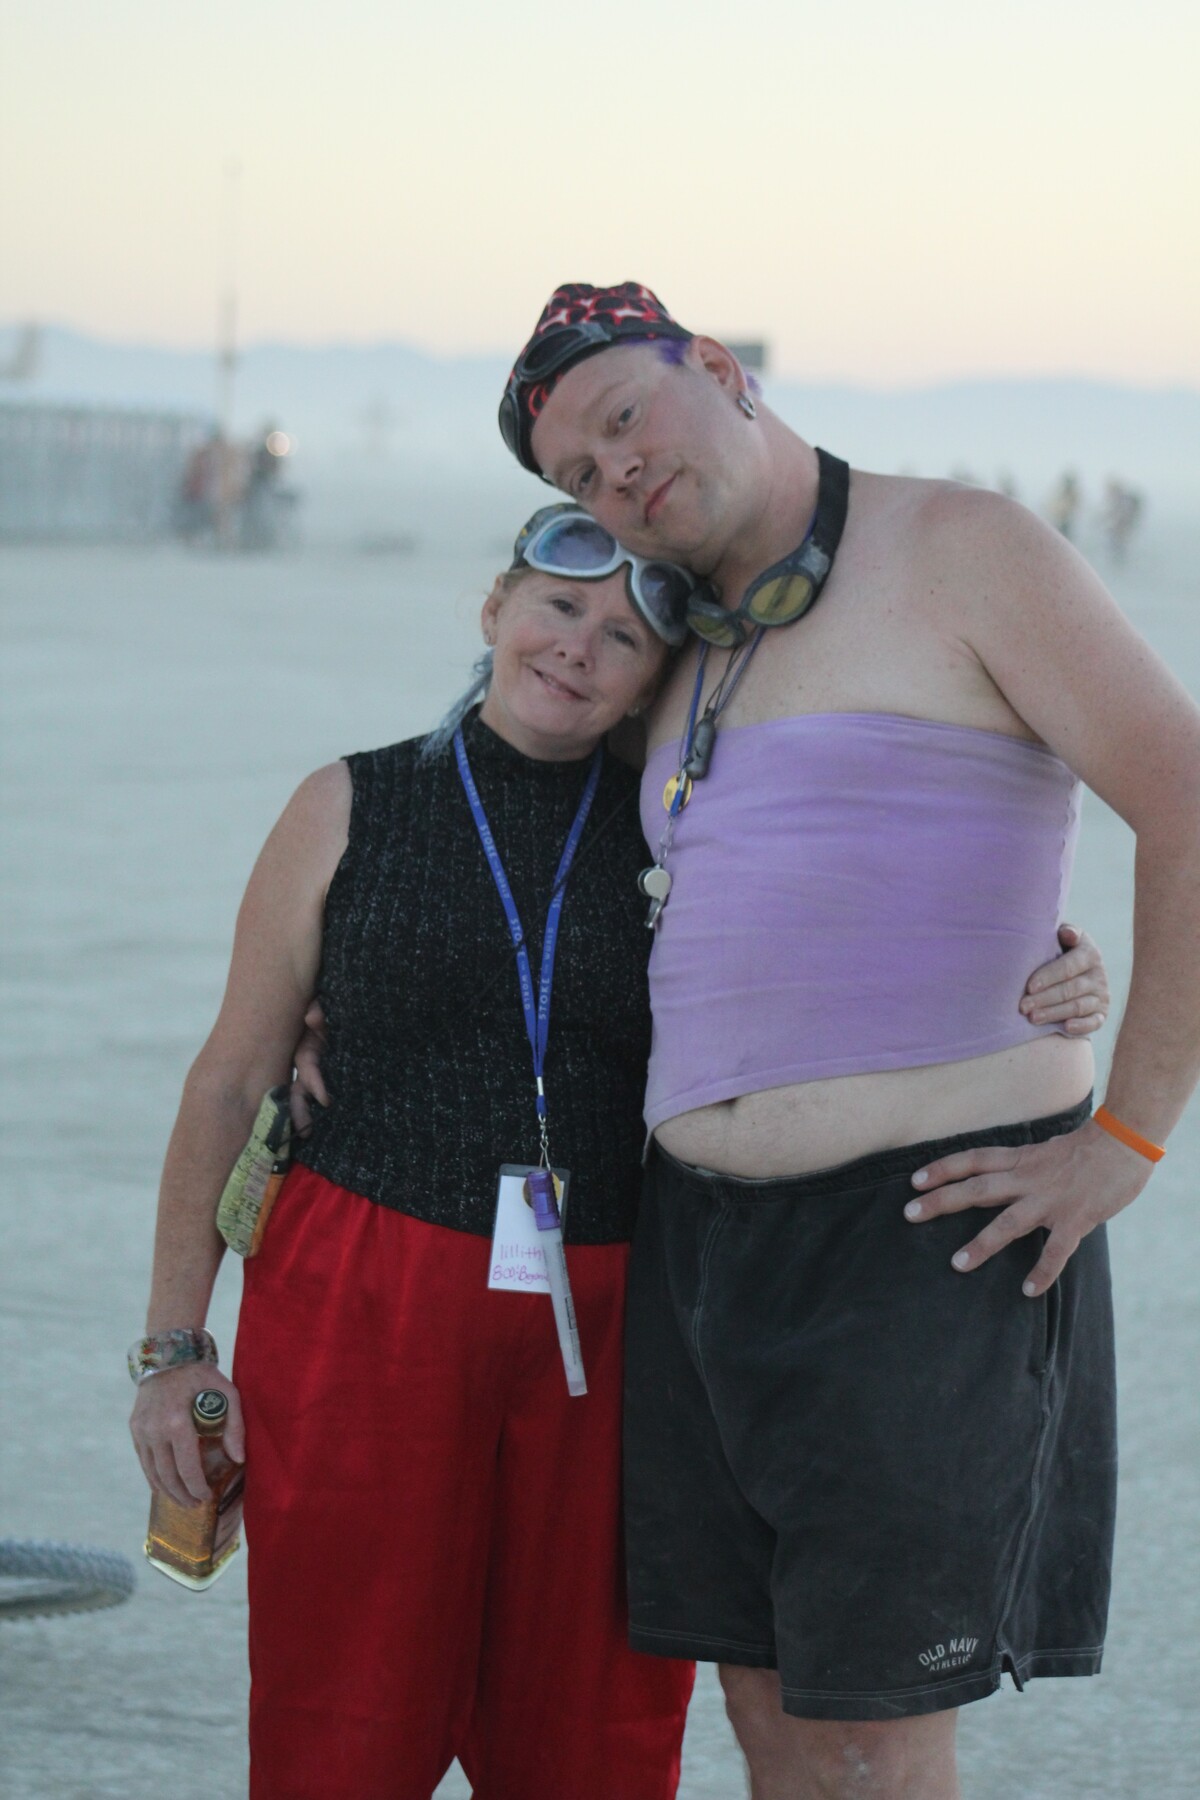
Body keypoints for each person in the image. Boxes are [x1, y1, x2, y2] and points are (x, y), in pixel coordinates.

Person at [498, 282, 1200, 1800]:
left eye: (623, 421)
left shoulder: (966, 549)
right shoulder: (682, 642)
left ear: (721, 371)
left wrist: (1128, 1140)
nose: (616, 477)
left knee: (878, 1738)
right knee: (763, 1712)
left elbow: (1189, 807)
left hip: (922, 1231)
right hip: (702, 1243)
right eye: (578, 477)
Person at [128, 505, 703, 1800]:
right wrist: (175, 1349)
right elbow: (229, 1079)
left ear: (654, 676)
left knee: (595, 1736)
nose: (578, 650)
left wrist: (1038, 969)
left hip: (607, 1318)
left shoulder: (686, 835)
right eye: (559, 610)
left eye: (621, 636)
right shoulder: (350, 801)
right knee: (344, 1728)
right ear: (497, 607)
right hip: (357, 1299)